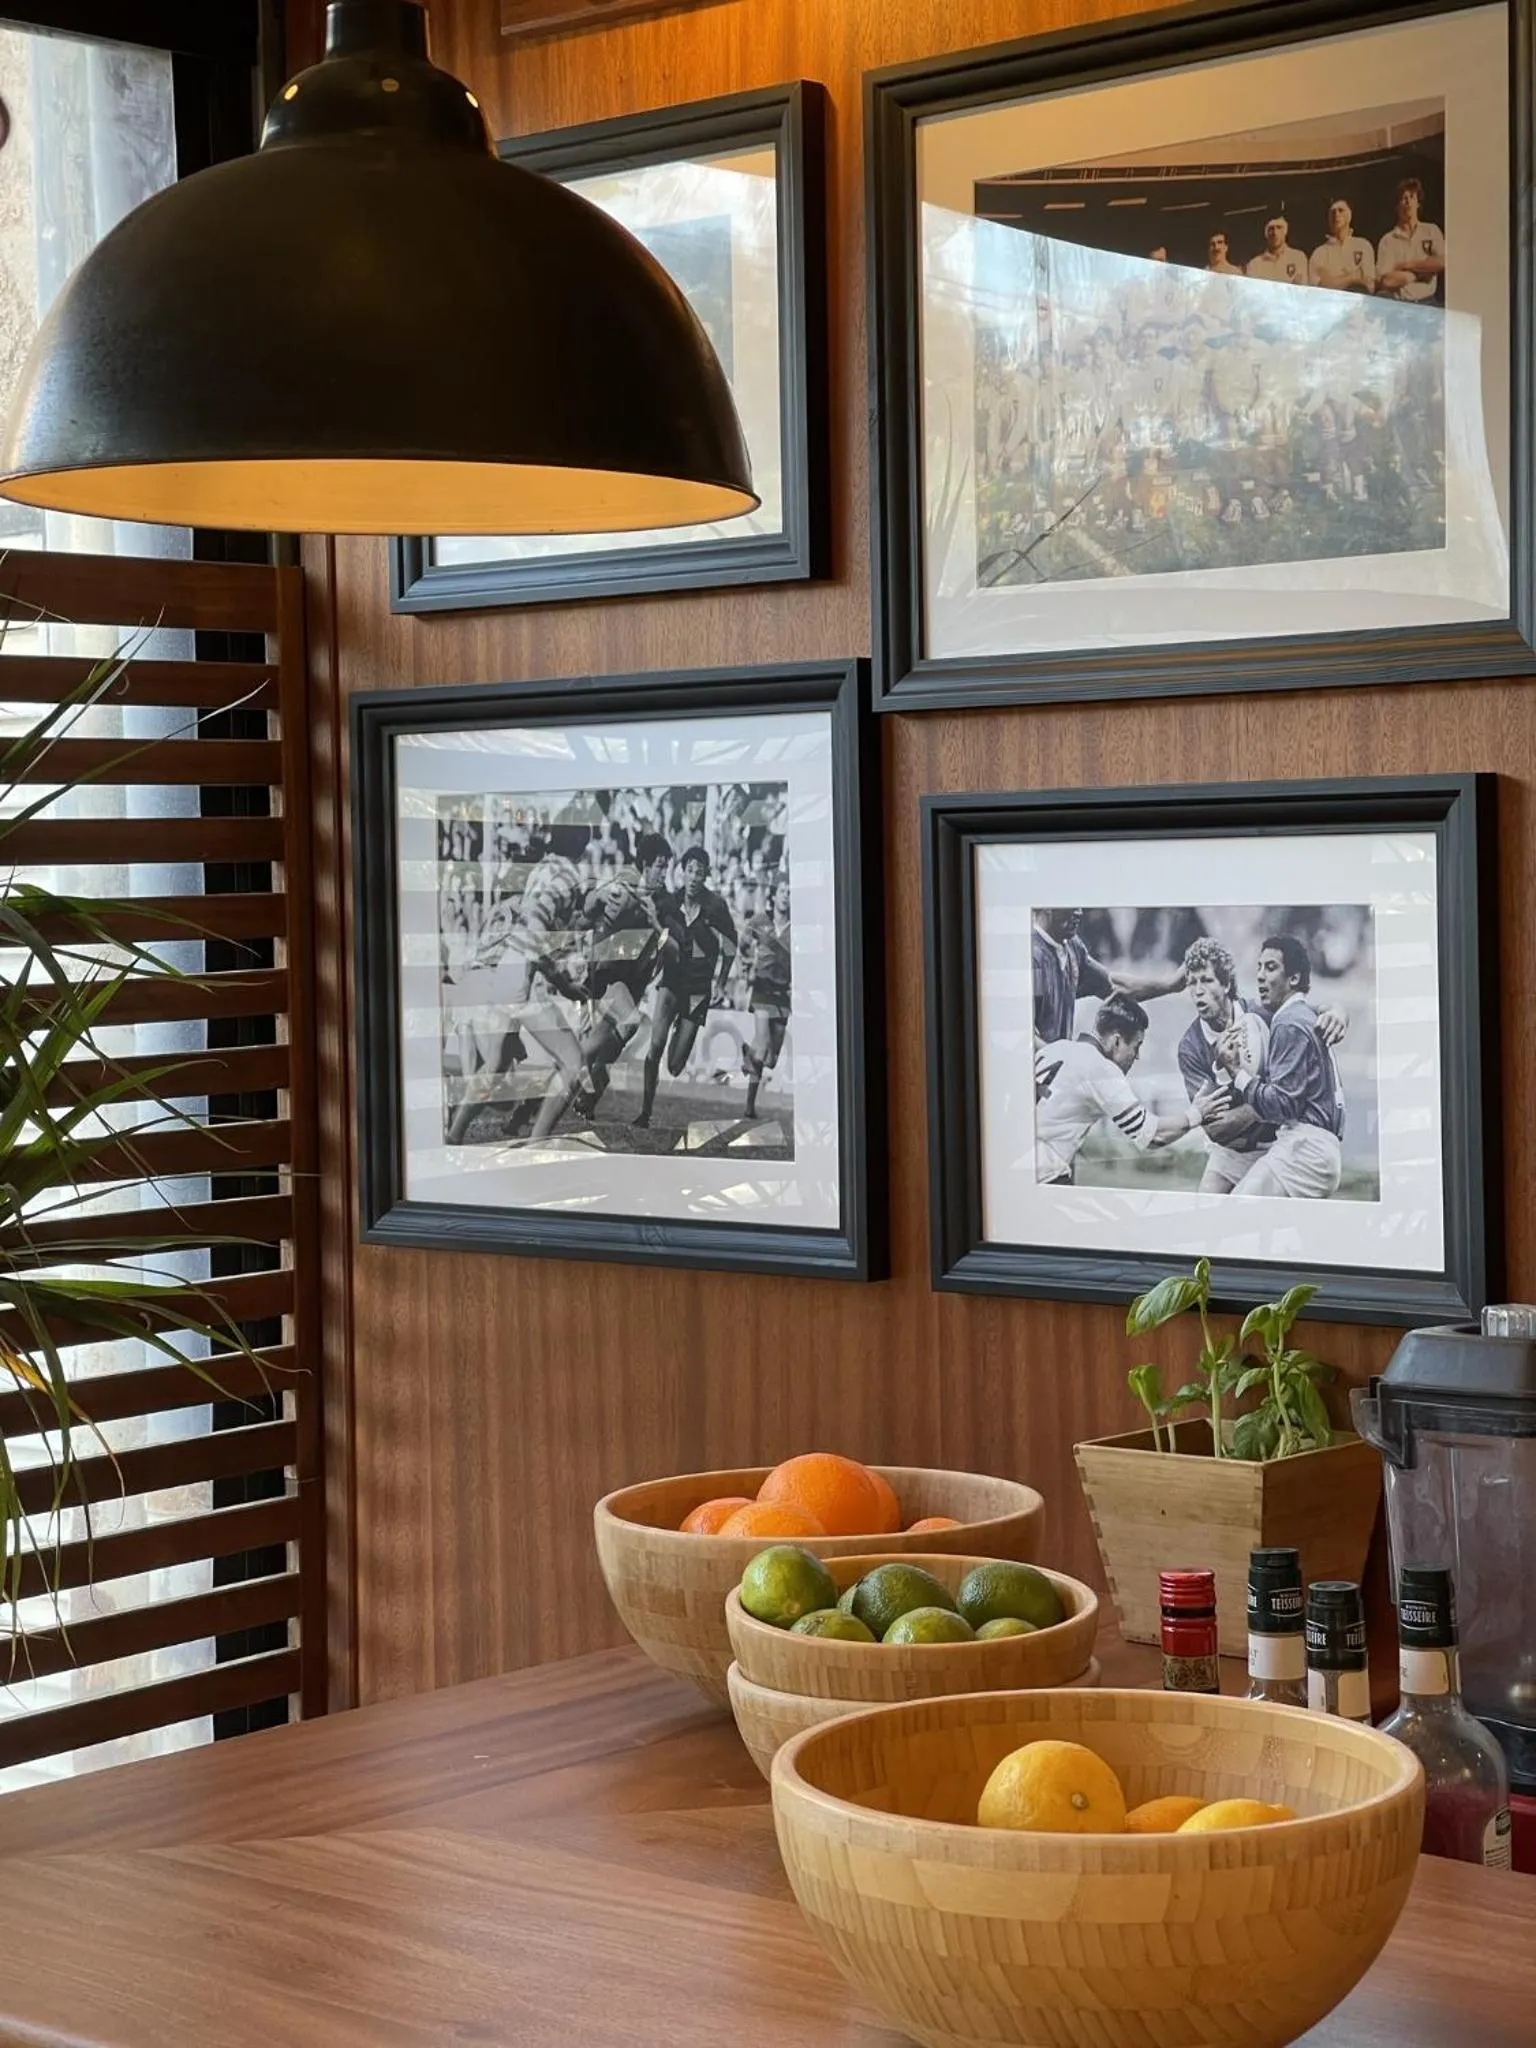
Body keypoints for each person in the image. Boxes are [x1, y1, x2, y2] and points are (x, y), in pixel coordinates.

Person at [446, 854, 590, 1147]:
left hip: (495, 976)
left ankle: (454, 1132)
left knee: (495, 1067)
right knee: (574, 1064)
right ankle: (537, 1143)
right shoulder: (563, 876)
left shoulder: (535, 879)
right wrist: (565, 984)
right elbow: (535, 944)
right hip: (514, 976)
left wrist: (562, 982)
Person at [1034, 994, 1224, 1186]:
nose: (1137, 1056)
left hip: (1015, 1162)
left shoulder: (1055, 1049)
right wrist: (1196, 1114)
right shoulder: (1101, 1068)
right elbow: (1153, 1136)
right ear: (1116, 1041)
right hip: (1045, 1173)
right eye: (1136, 1046)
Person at [1213, 933, 1345, 1199]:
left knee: (1234, 1217)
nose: (1260, 975)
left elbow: (1281, 1105)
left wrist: (1237, 1073)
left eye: (1271, 967)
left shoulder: (1288, 1022)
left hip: (1305, 1150)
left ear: (1293, 979)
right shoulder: (1306, 1015)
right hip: (1316, 1149)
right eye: (1259, 967)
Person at [633, 845, 739, 1130]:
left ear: (706, 876)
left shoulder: (715, 906)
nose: (693, 877)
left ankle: (683, 1027)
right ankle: (645, 1112)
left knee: (675, 1066)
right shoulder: (669, 902)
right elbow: (657, 941)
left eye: (699, 872)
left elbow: (731, 944)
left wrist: (721, 981)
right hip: (671, 983)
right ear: (683, 871)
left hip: (698, 991)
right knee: (655, 1047)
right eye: (690, 870)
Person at [572, 831, 672, 1120]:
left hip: (630, 978)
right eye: (660, 865)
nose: (664, 872)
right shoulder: (625, 884)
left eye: (667, 866)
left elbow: (663, 941)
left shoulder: (659, 901)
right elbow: (587, 910)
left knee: (595, 1047)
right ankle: (588, 1090)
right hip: (606, 971)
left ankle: (577, 1096)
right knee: (629, 1022)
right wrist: (599, 896)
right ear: (645, 864)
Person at [1031, 908, 1187, 1046]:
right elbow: (1025, 1033)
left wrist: (1170, 985)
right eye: (1071, 907)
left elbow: (1114, 987)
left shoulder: (1073, 948)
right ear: (1046, 907)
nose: (1079, 912)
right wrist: (1059, 1060)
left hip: (1059, 1069)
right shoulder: (1032, 955)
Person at [741, 875, 793, 1121]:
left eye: (790, 892)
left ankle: (748, 1053)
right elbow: (744, 942)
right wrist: (748, 957)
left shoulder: (797, 926)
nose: (786, 895)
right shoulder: (761, 920)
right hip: (762, 989)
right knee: (762, 1051)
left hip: (783, 994)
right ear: (774, 894)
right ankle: (749, 1106)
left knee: (770, 1060)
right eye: (783, 891)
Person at [1376, 177, 1445, 303]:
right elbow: (1386, 281)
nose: (1407, 202)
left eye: (1412, 197)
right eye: (1403, 198)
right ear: (1397, 206)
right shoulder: (1387, 240)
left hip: (1428, 303)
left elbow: (1441, 262)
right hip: (1400, 306)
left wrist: (1405, 266)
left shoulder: (1431, 230)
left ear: (1418, 203)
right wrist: (1421, 273)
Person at [1310, 199, 1376, 293]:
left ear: (1349, 216)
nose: (1336, 215)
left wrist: (1333, 280)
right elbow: (1319, 289)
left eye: (1340, 210)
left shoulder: (1363, 246)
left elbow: (1369, 285)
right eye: (1332, 212)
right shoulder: (1319, 253)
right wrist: (1354, 276)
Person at [1246, 217, 1310, 287]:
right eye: (1271, 229)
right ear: (1266, 234)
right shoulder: (1255, 264)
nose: (1275, 233)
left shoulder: (1298, 257)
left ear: (1285, 231)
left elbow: (1301, 290)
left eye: (1279, 228)